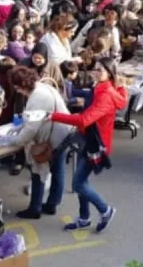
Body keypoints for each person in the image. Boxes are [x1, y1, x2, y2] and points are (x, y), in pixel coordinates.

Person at [49, 57, 128, 233]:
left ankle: (105, 210)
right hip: (91, 139)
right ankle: (84, 218)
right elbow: (121, 100)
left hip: (95, 144)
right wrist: (121, 86)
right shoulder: (105, 87)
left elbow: (84, 119)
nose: (96, 72)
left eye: (100, 70)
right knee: (82, 180)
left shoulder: (106, 95)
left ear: (109, 74)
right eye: (95, 68)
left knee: (78, 184)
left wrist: (53, 116)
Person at [9, 66, 74, 219]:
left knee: (37, 170)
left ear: (23, 85)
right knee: (58, 170)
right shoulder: (42, 87)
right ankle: (52, 205)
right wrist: (20, 127)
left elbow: (32, 128)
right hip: (65, 132)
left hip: (55, 137)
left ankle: (35, 208)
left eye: (17, 87)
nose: (17, 91)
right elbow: (33, 119)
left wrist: (16, 142)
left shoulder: (38, 97)